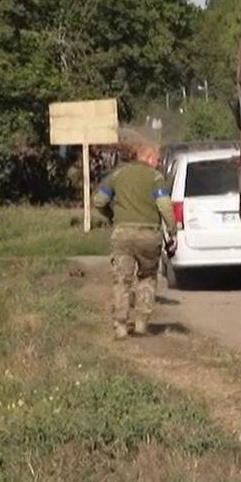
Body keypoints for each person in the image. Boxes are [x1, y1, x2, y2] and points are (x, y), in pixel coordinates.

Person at [92, 133, 173, 338]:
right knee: (146, 278)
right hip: (148, 234)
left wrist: (112, 216)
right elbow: (164, 206)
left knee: (122, 279)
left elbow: (99, 200)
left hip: (122, 234)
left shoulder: (117, 176)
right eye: (156, 158)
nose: (158, 162)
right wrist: (172, 230)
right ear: (146, 157)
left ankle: (120, 325)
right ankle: (141, 324)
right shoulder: (155, 178)